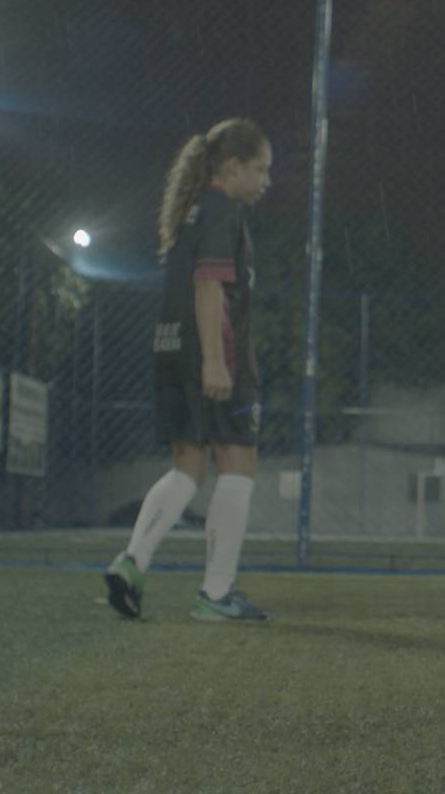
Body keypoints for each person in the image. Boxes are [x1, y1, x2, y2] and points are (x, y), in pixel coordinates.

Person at [105, 118, 275, 623]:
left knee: (188, 467)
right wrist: (218, 361)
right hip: (213, 353)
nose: (266, 180)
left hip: (171, 352)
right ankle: (216, 595)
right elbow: (209, 287)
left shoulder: (194, 213)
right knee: (239, 464)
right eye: (261, 169)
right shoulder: (223, 211)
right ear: (234, 167)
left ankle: (132, 562)